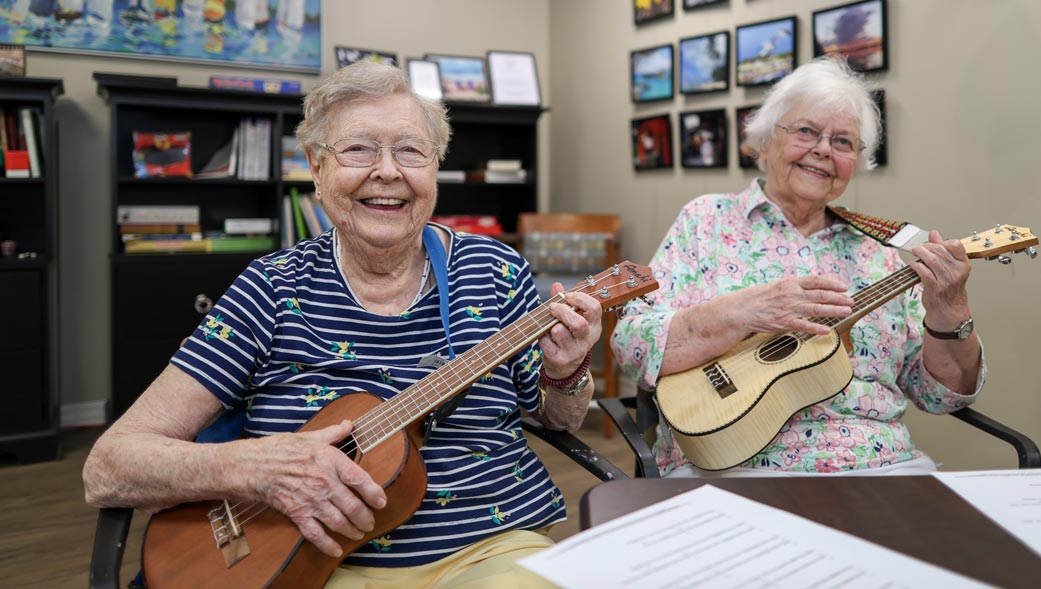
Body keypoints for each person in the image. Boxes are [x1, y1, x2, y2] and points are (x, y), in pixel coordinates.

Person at [83, 61, 603, 588]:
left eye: (410, 151)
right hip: (317, 564)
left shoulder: (495, 269)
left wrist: (565, 372)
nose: (387, 171)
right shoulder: (270, 288)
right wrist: (261, 469)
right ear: (315, 166)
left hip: (491, 554)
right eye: (358, 149)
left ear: (434, 167)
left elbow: (560, 419)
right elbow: (109, 466)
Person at [611, 57, 984, 477]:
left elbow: (941, 396)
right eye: (806, 131)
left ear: (855, 164)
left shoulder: (875, 251)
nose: (824, 149)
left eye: (843, 142)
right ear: (764, 142)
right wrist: (738, 313)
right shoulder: (707, 221)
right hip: (734, 463)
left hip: (879, 465)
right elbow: (631, 345)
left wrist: (950, 310)